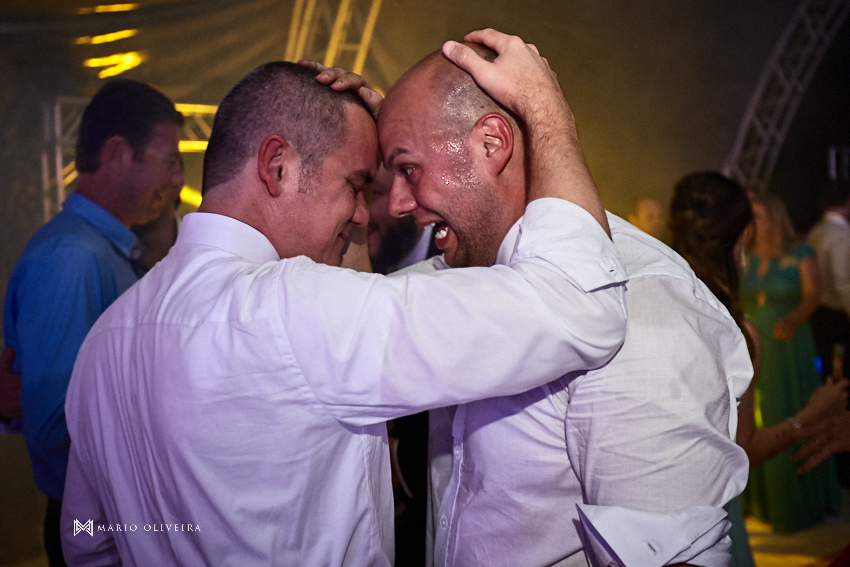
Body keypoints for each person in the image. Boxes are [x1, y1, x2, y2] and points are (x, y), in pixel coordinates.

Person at [60, 55, 629, 566]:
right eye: (357, 183)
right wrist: (547, 115)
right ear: (277, 166)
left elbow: (89, 544)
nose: (364, 214)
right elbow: (581, 307)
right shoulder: (294, 312)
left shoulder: (106, 338)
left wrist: (384, 134)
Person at [375, 32, 751, 566]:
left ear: (491, 143)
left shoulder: (644, 308)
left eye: (408, 168)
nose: (396, 202)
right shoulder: (468, 273)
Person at [3, 79, 183, 567]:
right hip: (91, 522)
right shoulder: (74, 256)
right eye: (169, 160)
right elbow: (51, 425)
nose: (177, 179)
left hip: (107, 514)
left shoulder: (105, 251)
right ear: (118, 152)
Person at [669, 171, 849, 567]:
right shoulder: (736, 333)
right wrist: (810, 416)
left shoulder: (646, 306)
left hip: (648, 520)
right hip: (703, 513)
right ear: (740, 239)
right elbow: (744, 449)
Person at [740, 192, 841, 532]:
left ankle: (799, 502)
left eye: (758, 215)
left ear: (774, 216)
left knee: (794, 408)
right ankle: (763, 501)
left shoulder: (801, 252)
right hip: (755, 345)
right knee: (758, 416)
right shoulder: (745, 256)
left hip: (789, 343)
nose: (753, 222)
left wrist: (794, 319)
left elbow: (815, 294)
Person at [808, 179, 850, 380]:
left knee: (826, 366)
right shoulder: (842, 235)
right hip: (837, 313)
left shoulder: (816, 231)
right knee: (839, 369)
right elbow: (843, 282)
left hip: (818, 310)